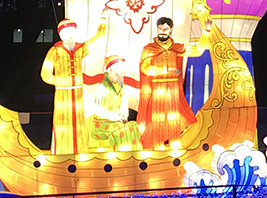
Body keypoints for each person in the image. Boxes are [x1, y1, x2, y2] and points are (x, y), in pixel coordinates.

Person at [137, 16, 209, 150]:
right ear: (157, 29)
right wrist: (166, 70)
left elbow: (198, 50)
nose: (163, 30)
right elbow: (145, 68)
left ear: (170, 30)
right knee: (158, 118)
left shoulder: (177, 47)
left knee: (173, 118)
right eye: (160, 28)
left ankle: (176, 144)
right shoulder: (149, 48)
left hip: (173, 90)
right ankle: (158, 146)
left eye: (166, 28)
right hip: (157, 88)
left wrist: (206, 32)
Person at [40, 14, 106, 154]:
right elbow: (45, 74)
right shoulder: (55, 50)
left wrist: (103, 19)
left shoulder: (80, 49)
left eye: (72, 31)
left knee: (78, 122)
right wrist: (61, 81)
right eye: (66, 32)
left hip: (77, 92)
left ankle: (80, 150)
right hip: (63, 94)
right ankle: (62, 151)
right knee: (63, 122)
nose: (69, 35)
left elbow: (98, 40)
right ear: (61, 34)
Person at [87, 55, 142, 151]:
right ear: (109, 70)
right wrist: (114, 116)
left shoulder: (123, 87)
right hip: (101, 124)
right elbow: (97, 109)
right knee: (122, 131)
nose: (119, 70)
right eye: (116, 67)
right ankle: (122, 157)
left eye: (121, 67)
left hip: (117, 121)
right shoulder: (102, 86)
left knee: (133, 126)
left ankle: (133, 156)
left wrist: (123, 116)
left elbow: (124, 106)